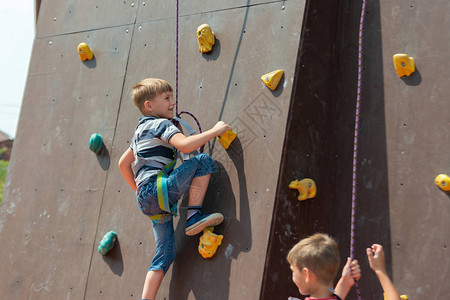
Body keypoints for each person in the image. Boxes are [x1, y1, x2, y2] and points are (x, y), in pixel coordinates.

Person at [118, 78, 231, 300]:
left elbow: (123, 164)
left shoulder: (139, 132)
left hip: (148, 200)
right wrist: (214, 130)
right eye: (167, 98)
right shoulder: (161, 125)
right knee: (204, 161)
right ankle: (193, 215)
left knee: (165, 253)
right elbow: (186, 145)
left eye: (172, 97)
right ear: (149, 105)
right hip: (159, 192)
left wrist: (140, 190)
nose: (172, 103)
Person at [287, 233, 361, 300]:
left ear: (306, 274)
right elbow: (329, 290)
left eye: (293, 270)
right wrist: (345, 283)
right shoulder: (329, 290)